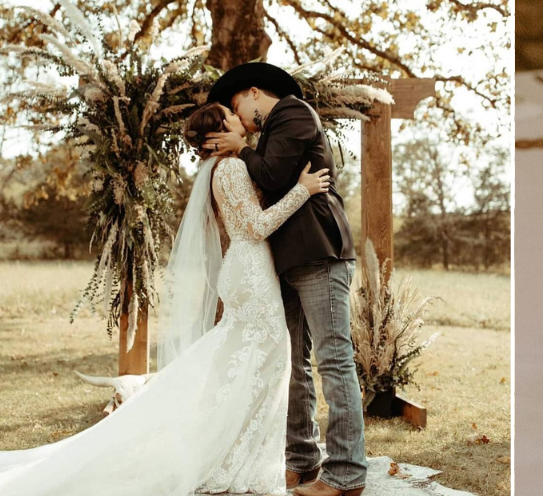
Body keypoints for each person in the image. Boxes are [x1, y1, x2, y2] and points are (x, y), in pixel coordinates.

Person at [0, 102, 331, 495]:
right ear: (218, 132)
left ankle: (239, 458)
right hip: (251, 273)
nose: (241, 120)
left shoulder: (226, 167)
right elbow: (255, 227)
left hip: (247, 271)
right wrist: (301, 191)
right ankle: (229, 460)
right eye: (232, 116)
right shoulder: (231, 168)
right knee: (266, 363)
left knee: (249, 367)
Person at [204, 62, 365, 496]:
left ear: (254, 92)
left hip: (319, 252)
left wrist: (241, 148)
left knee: (333, 358)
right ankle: (301, 462)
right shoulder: (266, 134)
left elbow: (274, 175)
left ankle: (347, 474)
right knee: (292, 364)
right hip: (285, 261)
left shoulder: (294, 113)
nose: (239, 121)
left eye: (237, 107)